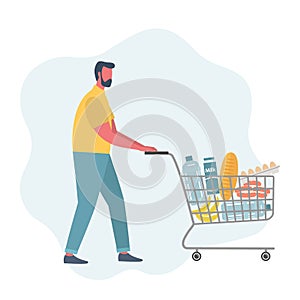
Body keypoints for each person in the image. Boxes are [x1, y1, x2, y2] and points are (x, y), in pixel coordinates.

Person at [64, 61, 157, 264]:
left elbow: (113, 131)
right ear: (98, 74)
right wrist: (140, 148)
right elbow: (107, 134)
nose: (110, 77)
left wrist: (141, 146)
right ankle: (69, 253)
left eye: (112, 73)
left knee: (116, 201)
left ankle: (123, 251)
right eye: (107, 73)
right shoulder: (93, 100)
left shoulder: (102, 99)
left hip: (102, 156)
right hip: (88, 156)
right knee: (86, 204)